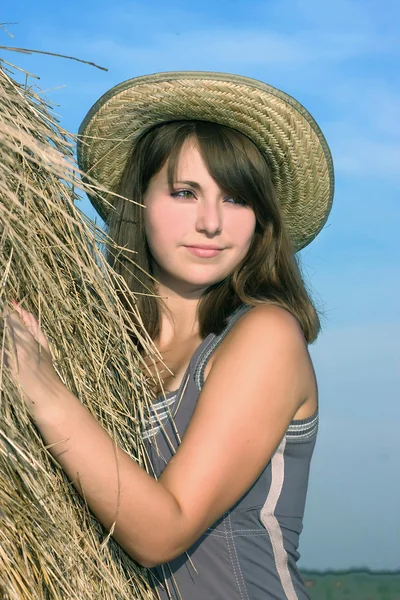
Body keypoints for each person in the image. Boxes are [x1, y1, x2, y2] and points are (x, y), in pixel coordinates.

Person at [5, 71, 334, 599]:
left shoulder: (265, 335)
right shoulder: (103, 349)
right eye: (185, 192)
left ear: (260, 220)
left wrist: (44, 392)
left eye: (235, 200)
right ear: (139, 201)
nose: (210, 222)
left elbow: (164, 531)